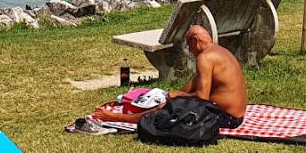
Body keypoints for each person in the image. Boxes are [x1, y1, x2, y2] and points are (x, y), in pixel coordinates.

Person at [93, 26, 247, 128]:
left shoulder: (204, 58)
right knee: (173, 104)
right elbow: (195, 81)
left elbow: (202, 98)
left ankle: (114, 118)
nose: (189, 49)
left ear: (196, 41)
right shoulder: (218, 51)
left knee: (167, 112)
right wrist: (175, 96)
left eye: (189, 44)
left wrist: (179, 96)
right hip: (235, 115)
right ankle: (123, 116)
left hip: (227, 118)